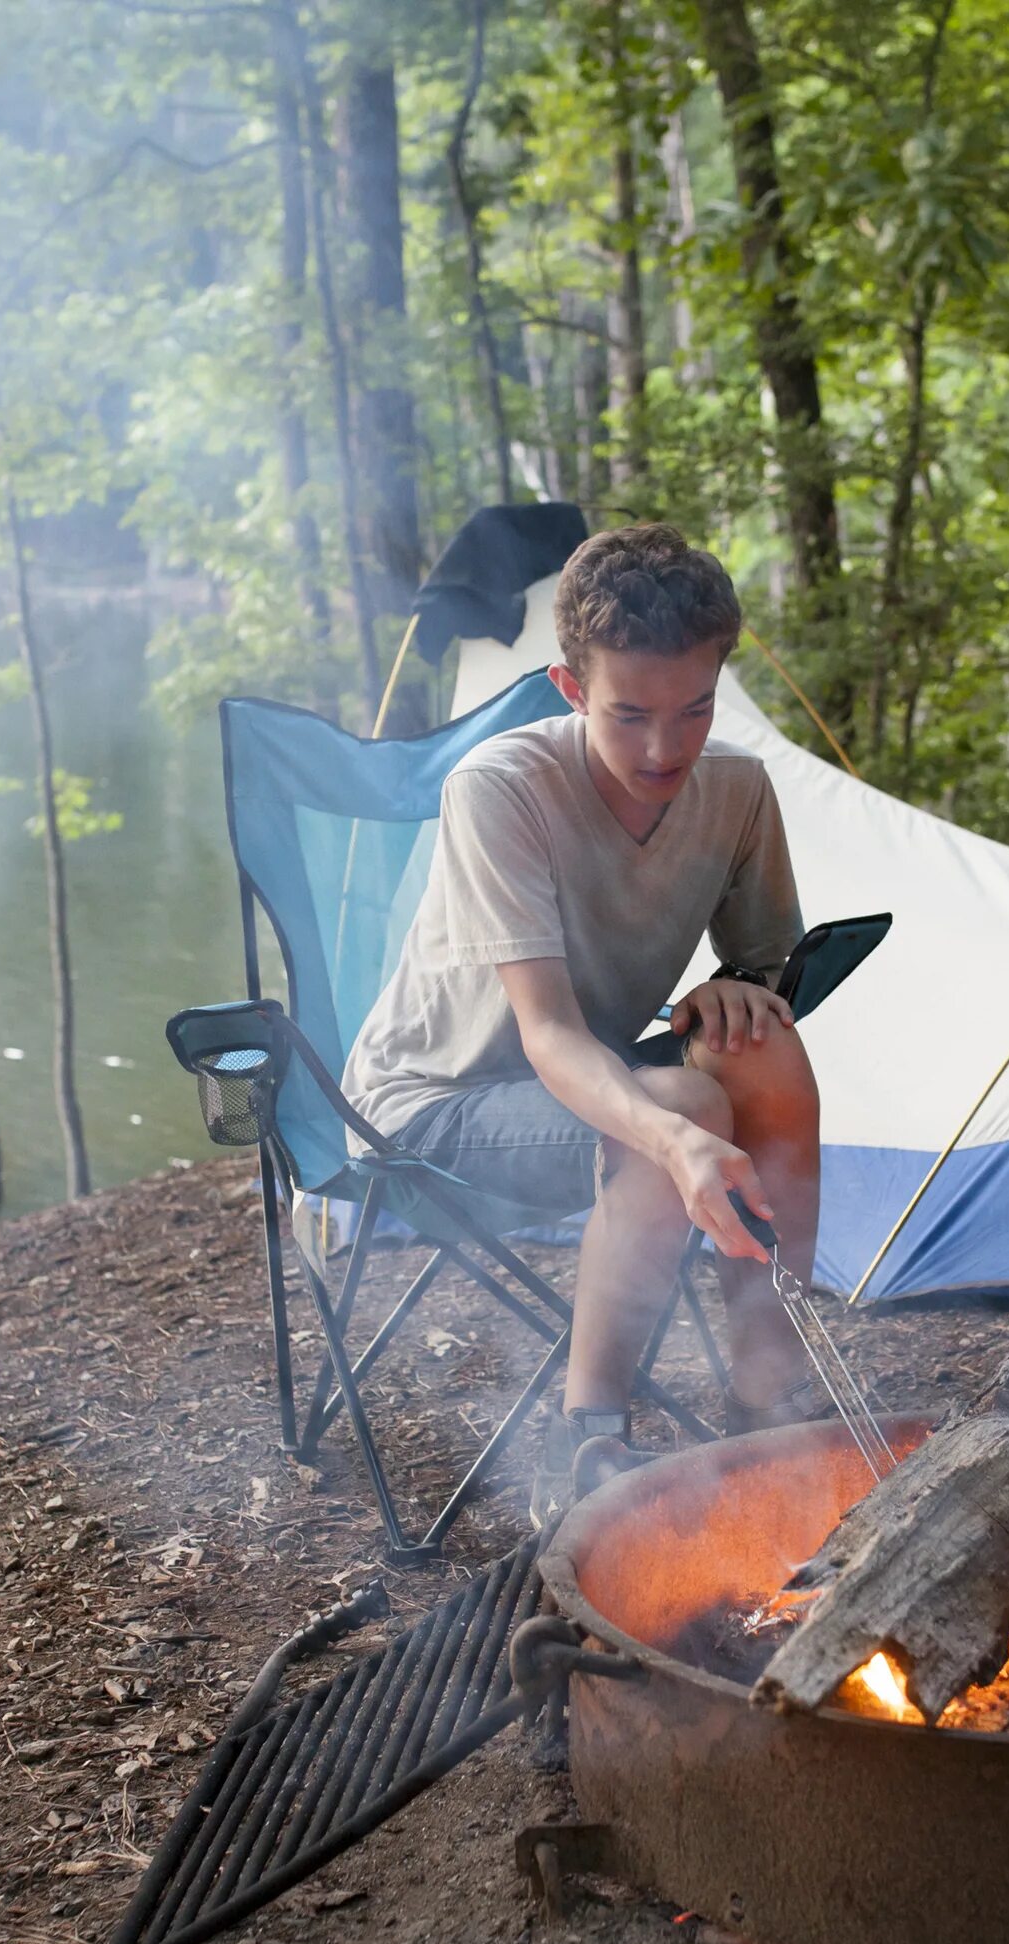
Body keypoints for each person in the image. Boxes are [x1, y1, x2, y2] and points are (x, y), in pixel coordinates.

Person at [342, 523, 824, 1518]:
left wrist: (733, 986)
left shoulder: (735, 790)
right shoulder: (502, 789)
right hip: (436, 1098)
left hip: (588, 1077)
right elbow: (548, 1034)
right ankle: (586, 1439)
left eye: (694, 711)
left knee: (762, 1048)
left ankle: (770, 1388)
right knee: (677, 1115)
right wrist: (676, 1138)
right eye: (630, 714)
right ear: (570, 688)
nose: (665, 748)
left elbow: (770, 966)